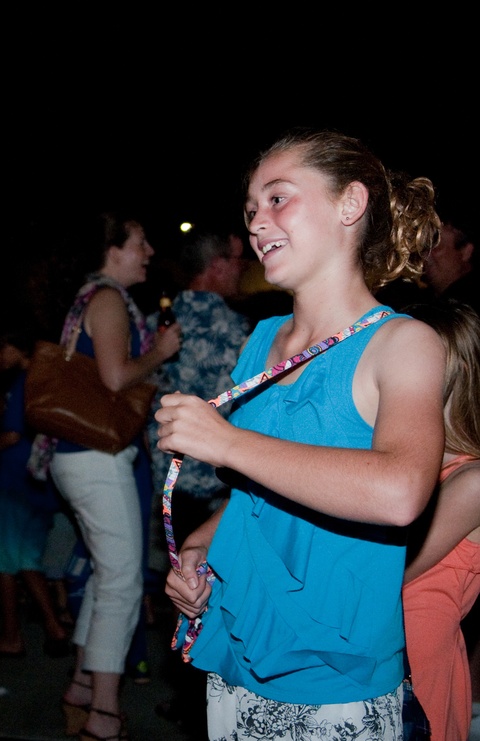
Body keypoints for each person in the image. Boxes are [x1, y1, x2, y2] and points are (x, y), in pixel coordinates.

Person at [157, 127, 446, 739]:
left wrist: (225, 441)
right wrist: (202, 552)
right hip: (239, 651)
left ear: (350, 204)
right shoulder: (262, 340)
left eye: (279, 198)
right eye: (251, 209)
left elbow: (400, 493)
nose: (258, 223)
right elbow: (250, 495)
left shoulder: (403, 344)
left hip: (335, 678)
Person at [39, 210, 181, 741]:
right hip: (94, 456)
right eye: (140, 243)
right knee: (122, 580)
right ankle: (103, 711)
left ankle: (81, 685)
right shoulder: (107, 299)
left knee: (107, 573)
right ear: (113, 249)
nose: (147, 253)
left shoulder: (90, 297)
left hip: (79, 455)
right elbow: (117, 376)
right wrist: (160, 354)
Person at [145, 230, 250, 733]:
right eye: (234, 258)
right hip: (213, 492)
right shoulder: (237, 329)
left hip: (165, 483)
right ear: (214, 266)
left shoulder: (159, 321)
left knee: (178, 592)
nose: (243, 264)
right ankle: (203, 704)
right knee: (211, 598)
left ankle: (186, 699)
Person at [0, 331, 73, 660]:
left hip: (15, 481)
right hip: (40, 483)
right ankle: (53, 628)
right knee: (25, 560)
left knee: (2, 559)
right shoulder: (48, 378)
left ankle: (12, 637)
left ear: (19, 346)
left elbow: (13, 435)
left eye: (2, 346)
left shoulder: (24, 382)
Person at [402, 299, 480, 741]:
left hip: (418, 667)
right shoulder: (409, 462)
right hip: (380, 653)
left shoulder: (471, 481)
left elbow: (392, 571)